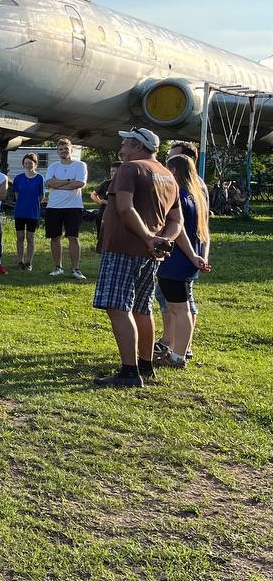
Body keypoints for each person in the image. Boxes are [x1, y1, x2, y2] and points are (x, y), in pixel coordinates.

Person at [92, 127, 182, 388]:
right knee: (142, 308)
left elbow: (124, 207)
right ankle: (146, 365)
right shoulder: (168, 175)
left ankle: (129, 372)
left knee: (118, 307)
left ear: (140, 146)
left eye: (126, 144)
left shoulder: (129, 169)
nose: (121, 149)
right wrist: (163, 240)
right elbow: (177, 220)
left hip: (123, 247)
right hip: (150, 253)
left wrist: (146, 237)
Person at [155, 154, 211, 368]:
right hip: (188, 261)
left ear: (174, 171)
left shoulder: (177, 195)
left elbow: (178, 232)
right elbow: (204, 231)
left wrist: (192, 256)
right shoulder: (196, 196)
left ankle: (178, 355)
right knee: (181, 307)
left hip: (176, 261)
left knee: (179, 309)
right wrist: (200, 256)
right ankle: (179, 350)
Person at [45, 137, 88, 280]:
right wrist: (69, 181)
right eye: (61, 149)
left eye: (66, 149)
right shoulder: (53, 167)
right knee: (55, 237)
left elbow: (80, 183)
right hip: (54, 206)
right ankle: (58, 267)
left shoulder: (80, 165)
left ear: (71, 150)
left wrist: (59, 183)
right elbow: (49, 183)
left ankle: (76, 269)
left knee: (73, 237)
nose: (63, 151)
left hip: (73, 206)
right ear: (57, 151)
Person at [12, 152, 44, 270]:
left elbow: (41, 197)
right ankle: (20, 261)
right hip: (20, 211)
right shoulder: (18, 178)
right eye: (26, 163)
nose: (28, 165)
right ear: (23, 164)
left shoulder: (40, 178)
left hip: (33, 212)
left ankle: (29, 262)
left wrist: (33, 204)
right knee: (20, 237)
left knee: (30, 237)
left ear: (35, 164)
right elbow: (16, 195)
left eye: (31, 163)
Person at [91, 161, 120, 244]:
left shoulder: (125, 184)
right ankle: (101, 243)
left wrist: (107, 202)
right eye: (111, 171)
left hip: (119, 211)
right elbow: (93, 195)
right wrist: (100, 201)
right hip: (105, 211)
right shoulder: (106, 183)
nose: (112, 173)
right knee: (100, 221)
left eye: (114, 171)